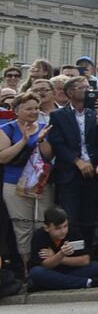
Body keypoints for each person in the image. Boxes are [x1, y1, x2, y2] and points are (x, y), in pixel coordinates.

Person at [47, 75, 98, 250]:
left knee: (89, 217)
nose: (88, 91)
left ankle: (87, 254)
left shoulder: (93, 113)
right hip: (70, 173)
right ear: (71, 92)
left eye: (89, 87)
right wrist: (77, 161)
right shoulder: (58, 115)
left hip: (92, 172)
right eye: (83, 87)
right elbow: (57, 144)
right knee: (70, 217)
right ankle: (71, 253)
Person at [0, 92, 52, 252]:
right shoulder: (6, 129)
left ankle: (41, 264)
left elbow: (49, 155)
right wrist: (23, 140)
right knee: (23, 227)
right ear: (16, 110)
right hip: (15, 183)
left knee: (43, 224)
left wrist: (41, 140)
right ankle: (26, 268)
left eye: (36, 108)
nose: (34, 112)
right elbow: (3, 157)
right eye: (29, 109)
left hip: (42, 182)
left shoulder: (45, 128)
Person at [28, 207, 98, 290]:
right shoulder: (39, 236)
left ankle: (52, 283)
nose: (63, 231)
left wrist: (59, 257)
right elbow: (45, 265)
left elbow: (85, 260)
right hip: (50, 271)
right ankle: (88, 283)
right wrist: (61, 254)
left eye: (65, 226)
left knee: (96, 267)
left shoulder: (73, 232)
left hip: (70, 271)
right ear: (47, 228)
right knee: (36, 272)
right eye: (57, 228)